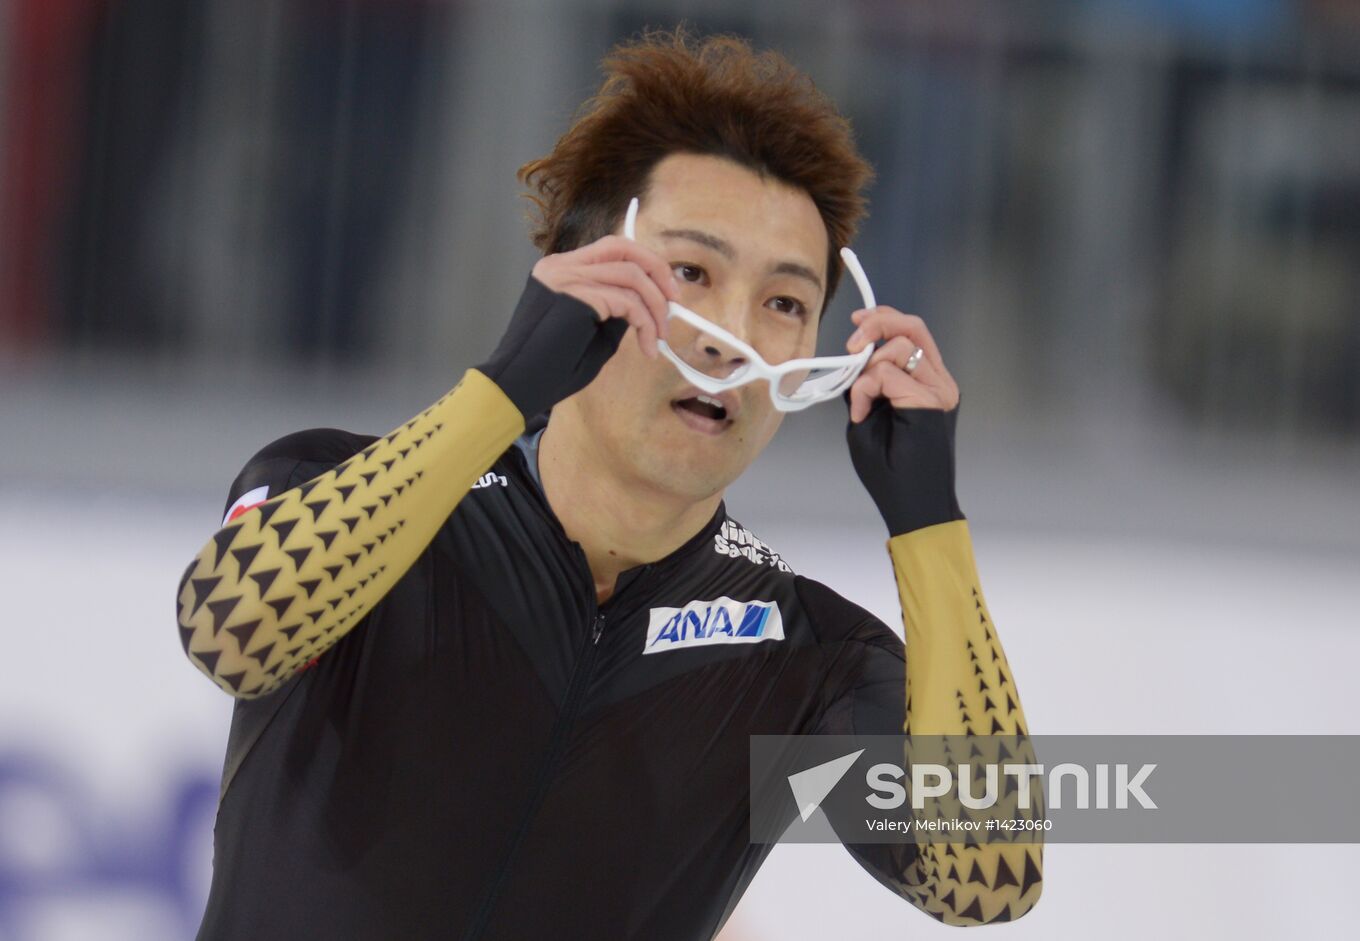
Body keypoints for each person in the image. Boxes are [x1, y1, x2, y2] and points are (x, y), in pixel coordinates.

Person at [175, 29, 1043, 939]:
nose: (728, 338)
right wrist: (502, 392)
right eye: (690, 272)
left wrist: (930, 525)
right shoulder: (337, 486)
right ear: (580, 280)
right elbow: (229, 630)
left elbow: (988, 878)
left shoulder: (804, 658)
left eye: (784, 303)